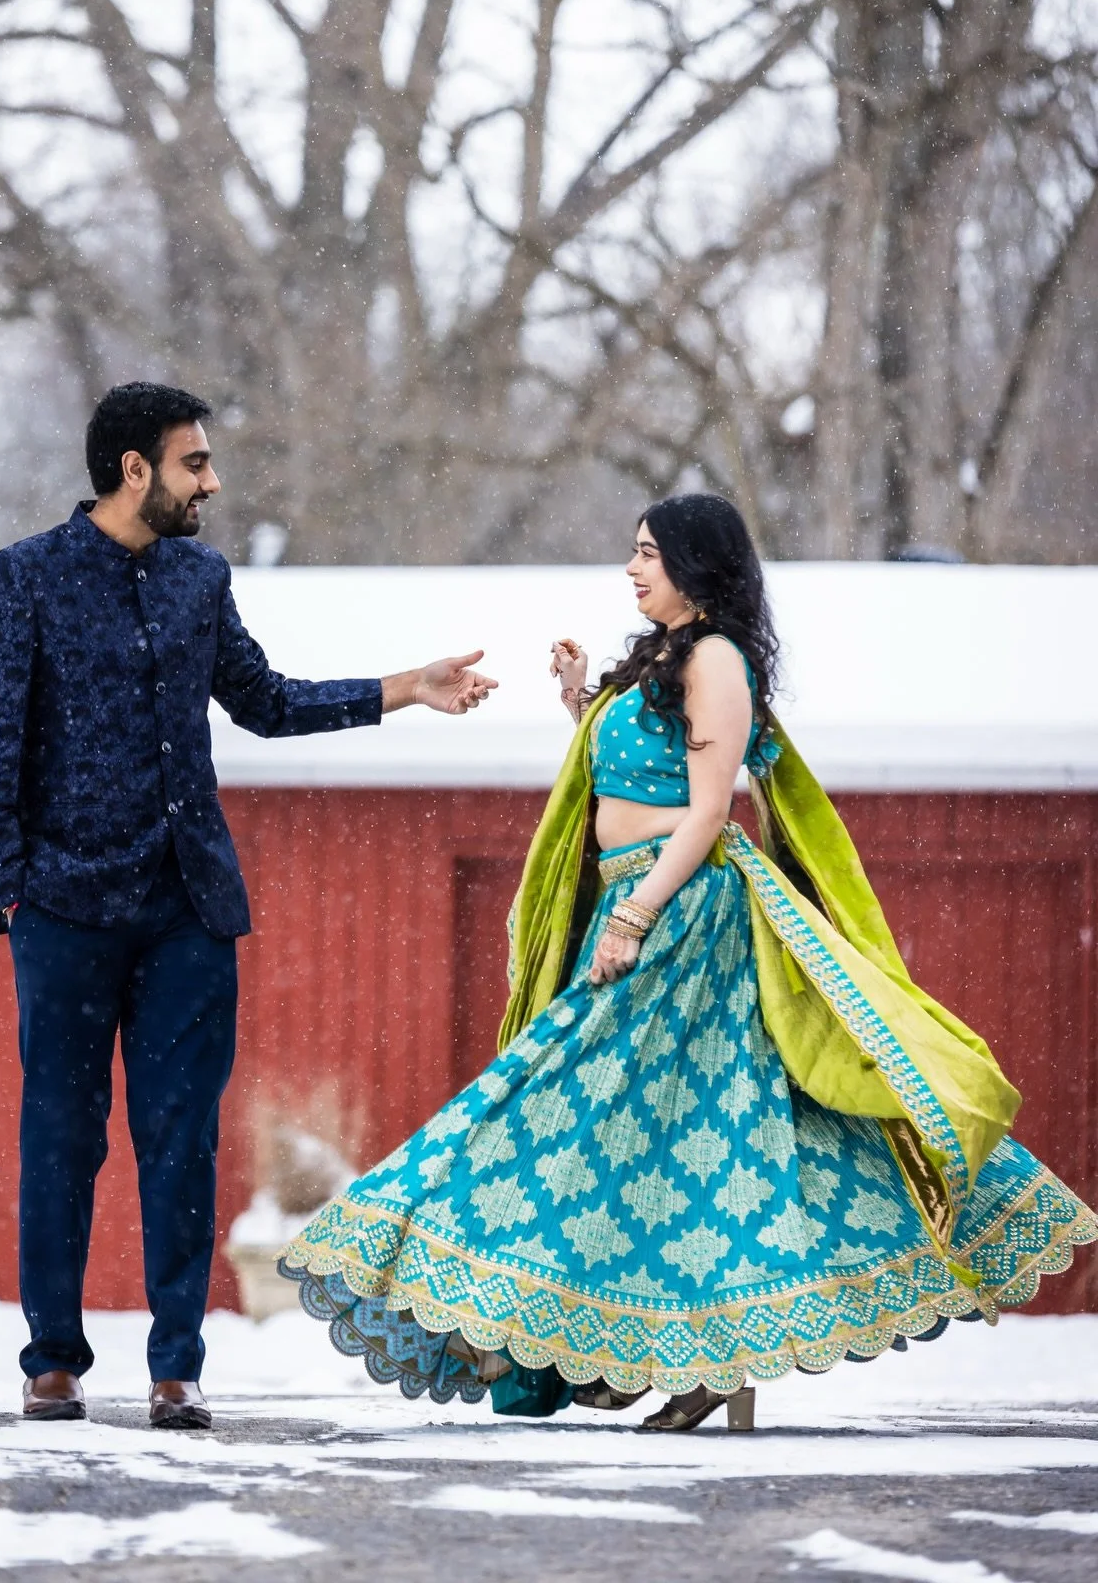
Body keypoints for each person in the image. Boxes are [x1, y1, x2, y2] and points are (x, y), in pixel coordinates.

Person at [282, 492, 1096, 1427]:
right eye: (633, 553)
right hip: (643, 907)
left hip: (682, 917)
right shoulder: (664, 660)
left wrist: (632, 913)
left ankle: (653, 1351)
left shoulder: (715, 659)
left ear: (696, 567)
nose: (632, 570)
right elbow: (643, 775)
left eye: (647, 555)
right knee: (663, 1136)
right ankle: (674, 1356)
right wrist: (580, 701)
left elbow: (708, 808)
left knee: (615, 1114)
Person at [0, 382, 496, 1430]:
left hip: (187, 912)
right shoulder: (21, 579)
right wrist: (10, 894)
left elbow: (266, 703)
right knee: (63, 1139)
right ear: (132, 470)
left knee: (182, 1141)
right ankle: (54, 1361)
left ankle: (176, 1368)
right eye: (194, 463)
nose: (212, 480)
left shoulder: (199, 579)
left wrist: (403, 688)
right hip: (64, 909)